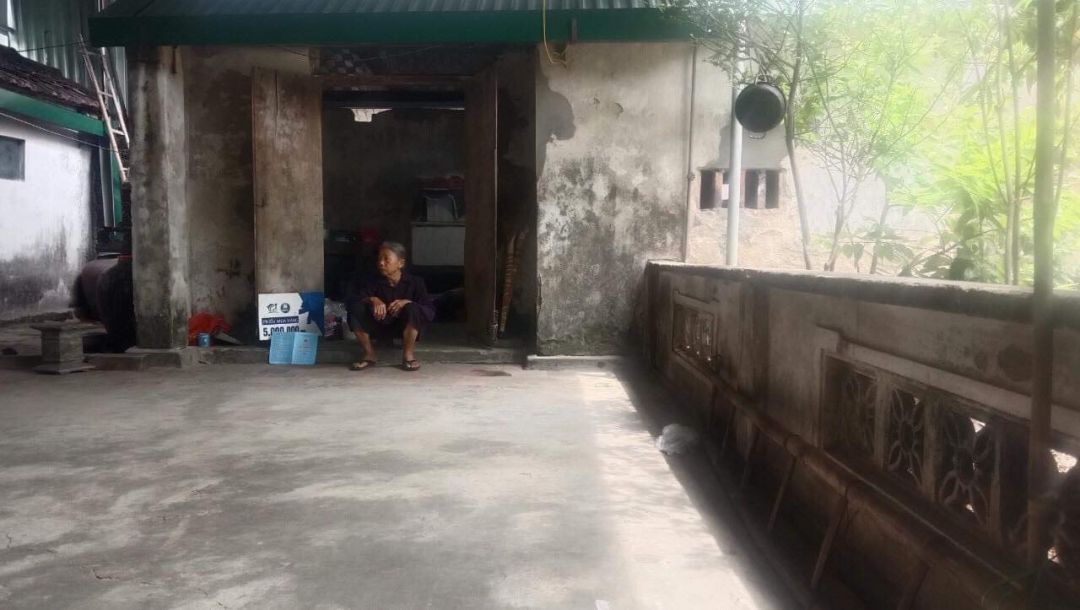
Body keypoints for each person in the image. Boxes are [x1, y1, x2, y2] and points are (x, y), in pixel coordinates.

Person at [346, 241, 435, 371]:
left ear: (400, 263)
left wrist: (407, 302)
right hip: (378, 326)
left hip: (405, 329)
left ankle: (408, 356)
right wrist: (372, 299)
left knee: (413, 308)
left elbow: (429, 310)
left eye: (386, 259)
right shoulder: (372, 281)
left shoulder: (415, 282)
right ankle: (369, 354)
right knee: (355, 308)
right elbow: (352, 300)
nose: (381, 263)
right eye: (379, 259)